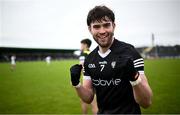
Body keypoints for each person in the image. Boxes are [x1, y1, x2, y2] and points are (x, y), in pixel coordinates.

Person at [70, 5, 153, 114]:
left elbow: (146, 102)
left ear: (113, 26)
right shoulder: (89, 59)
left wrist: (134, 78)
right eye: (96, 27)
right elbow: (88, 97)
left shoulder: (130, 53)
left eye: (106, 25)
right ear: (90, 29)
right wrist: (77, 84)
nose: (102, 31)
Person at [79, 38, 98, 114]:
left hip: (87, 79)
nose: (80, 46)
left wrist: (77, 78)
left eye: (81, 44)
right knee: (94, 102)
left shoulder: (83, 53)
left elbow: (81, 65)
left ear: (85, 45)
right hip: (96, 78)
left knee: (84, 100)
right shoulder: (93, 52)